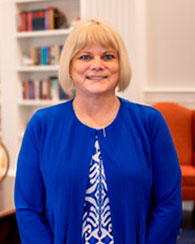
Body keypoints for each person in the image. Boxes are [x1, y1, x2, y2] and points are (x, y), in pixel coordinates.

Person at [14, 19, 182, 244]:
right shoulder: (42, 125)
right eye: (85, 57)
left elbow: (169, 204)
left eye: (108, 56)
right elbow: (28, 209)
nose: (97, 64)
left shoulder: (150, 123)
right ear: (70, 67)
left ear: (120, 65)